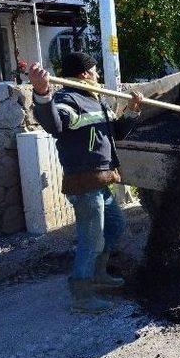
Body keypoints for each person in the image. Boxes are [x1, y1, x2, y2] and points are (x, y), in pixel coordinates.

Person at [29, 52, 143, 314]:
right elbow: (54, 125)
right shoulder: (68, 99)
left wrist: (133, 112)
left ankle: (99, 274)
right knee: (90, 239)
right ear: (84, 74)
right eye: (95, 70)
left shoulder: (94, 101)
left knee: (115, 224)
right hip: (84, 181)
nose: (98, 75)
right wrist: (43, 93)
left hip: (101, 179)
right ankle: (81, 294)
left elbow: (116, 135)